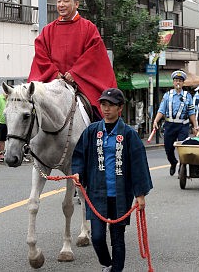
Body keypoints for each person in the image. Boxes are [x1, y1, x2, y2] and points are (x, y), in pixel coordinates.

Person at [72, 88, 153, 272]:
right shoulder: (92, 131)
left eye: (111, 105)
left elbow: (138, 164)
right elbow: (79, 156)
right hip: (97, 193)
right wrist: (77, 172)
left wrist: (140, 194)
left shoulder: (129, 134)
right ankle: (108, 265)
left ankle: (116, 269)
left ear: (120, 108)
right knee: (97, 237)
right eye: (103, 105)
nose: (106, 109)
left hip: (120, 195)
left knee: (117, 238)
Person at [28, 0, 117, 121]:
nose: (61, 5)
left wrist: (75, 73)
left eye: (66, 1)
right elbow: (41, 53)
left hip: (80, 84)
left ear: (76, 4)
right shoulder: (48, 30)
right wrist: (54, 72)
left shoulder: (88, 28)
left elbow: (93, 54)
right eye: (59, 1)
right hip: (53, 82)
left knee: (97, 114)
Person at [152, 70, 198, 176]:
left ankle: (182, 167)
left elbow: (191, 112)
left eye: (180, 81)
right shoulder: (167, 95)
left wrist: (195, 125)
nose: (178, 83)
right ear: (173, 82)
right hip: (170, 125)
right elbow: (161, 110)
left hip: (183, 125)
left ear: (183, 83)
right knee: (168, 148)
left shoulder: (188, 96)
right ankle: (173, 162)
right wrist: (155, 121)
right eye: (176, 80)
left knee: (182, 146)